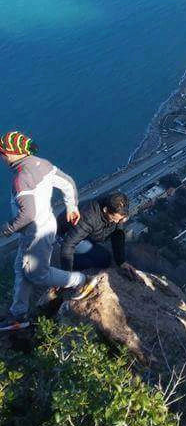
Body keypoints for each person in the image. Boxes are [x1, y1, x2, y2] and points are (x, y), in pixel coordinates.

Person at [0, 131, 100, 332]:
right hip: (45, 225)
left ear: (11, 153)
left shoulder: (22, 178)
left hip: (35, 233)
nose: (1, 157)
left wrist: (6, 230)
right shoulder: (41, 164)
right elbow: (68, 182)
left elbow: (28, 214)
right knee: (21, 270)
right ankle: (18, 315)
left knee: (37, 274)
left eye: (2, 152)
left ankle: (82, 281)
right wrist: (72, 206)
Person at [58, 192, 137, 278]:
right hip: (67, 233)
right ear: (105, 210)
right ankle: (71, 264)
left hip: (89, 233)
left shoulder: (117, 208)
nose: (117, 222)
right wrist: (66, 275)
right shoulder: (88, 217)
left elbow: (117, 233)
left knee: (104, 258)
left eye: (120, 219)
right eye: (114, 219)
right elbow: (68, 245)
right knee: (99, 260)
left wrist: (121, 262)